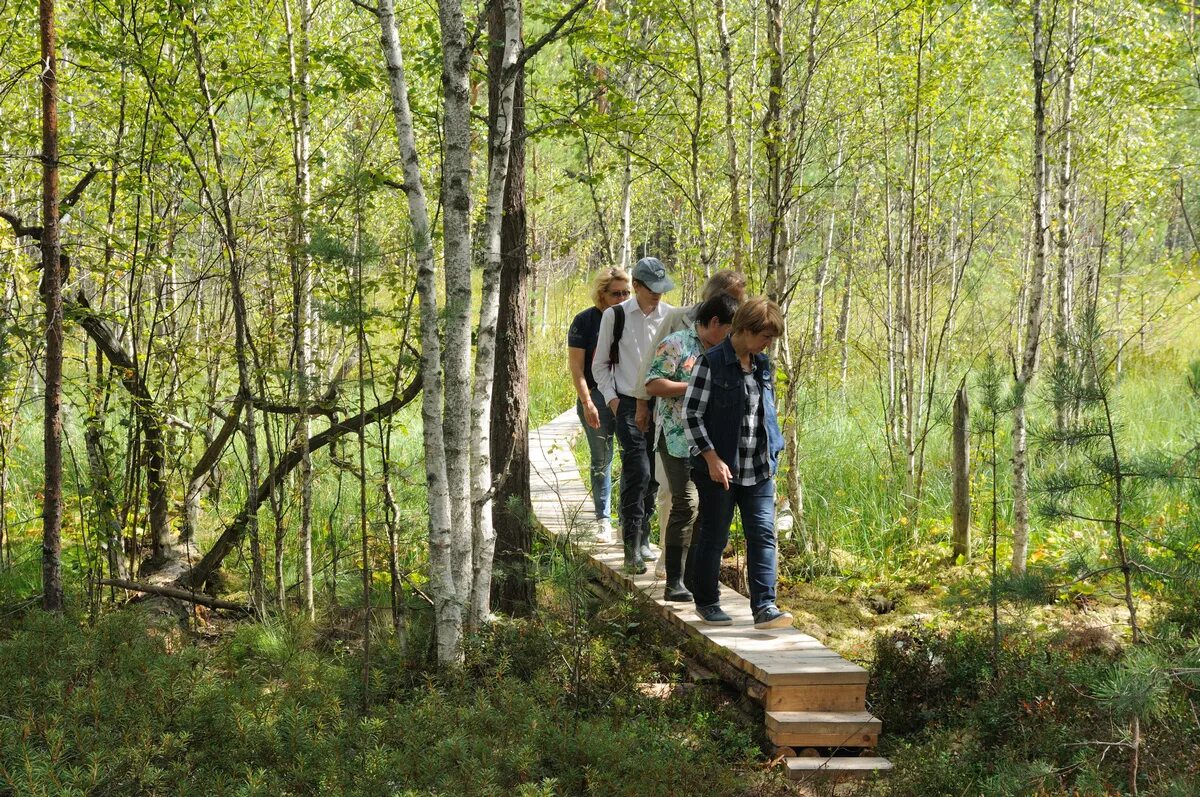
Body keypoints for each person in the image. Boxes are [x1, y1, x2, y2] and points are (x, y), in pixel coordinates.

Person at [683, 296, 793, 629]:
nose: (768, 343)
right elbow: (692, 415)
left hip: (759, 468)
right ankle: (707, 601)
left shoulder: (762, 366)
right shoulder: (711, 363)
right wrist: (712, 458)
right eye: (765, 336)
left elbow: (765, 412)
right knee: (714, 537)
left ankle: (764, 607)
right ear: (745, 329)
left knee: (763, 534)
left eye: (772, 338)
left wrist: (774, 451)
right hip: (720, 470)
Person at [632, 270, 747, 578]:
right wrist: (641, 403)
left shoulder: (736, 331)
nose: (737, 306)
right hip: (675, 431)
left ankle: (695, 565)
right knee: (675, 495)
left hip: (713, 433)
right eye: (732, 299)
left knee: (704, 500)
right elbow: (650, 367)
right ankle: (671, 563)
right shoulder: (678, 322)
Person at [593, 256, 675, 573]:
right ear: (636, 286)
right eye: (651, 288)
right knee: (637, 469)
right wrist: (613, 402)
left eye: (662, 288)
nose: (657, 294)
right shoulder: (616, 316)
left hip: (661, 402)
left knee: (655, 474)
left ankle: (644, 536)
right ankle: (630, 547)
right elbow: (600, 365)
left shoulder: (669, 316)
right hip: (627, 402)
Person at [568, 267, 630, 542]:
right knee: (602, 459)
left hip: (628, 397)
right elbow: (577, 369)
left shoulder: (633, 320)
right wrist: (587, 402)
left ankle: (627, 521)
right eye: (616, 293)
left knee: (633, 459)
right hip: (595, 396)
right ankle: (603, 519)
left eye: (626, 293)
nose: (622, 298)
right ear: (601, 294)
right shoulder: (585, 321)